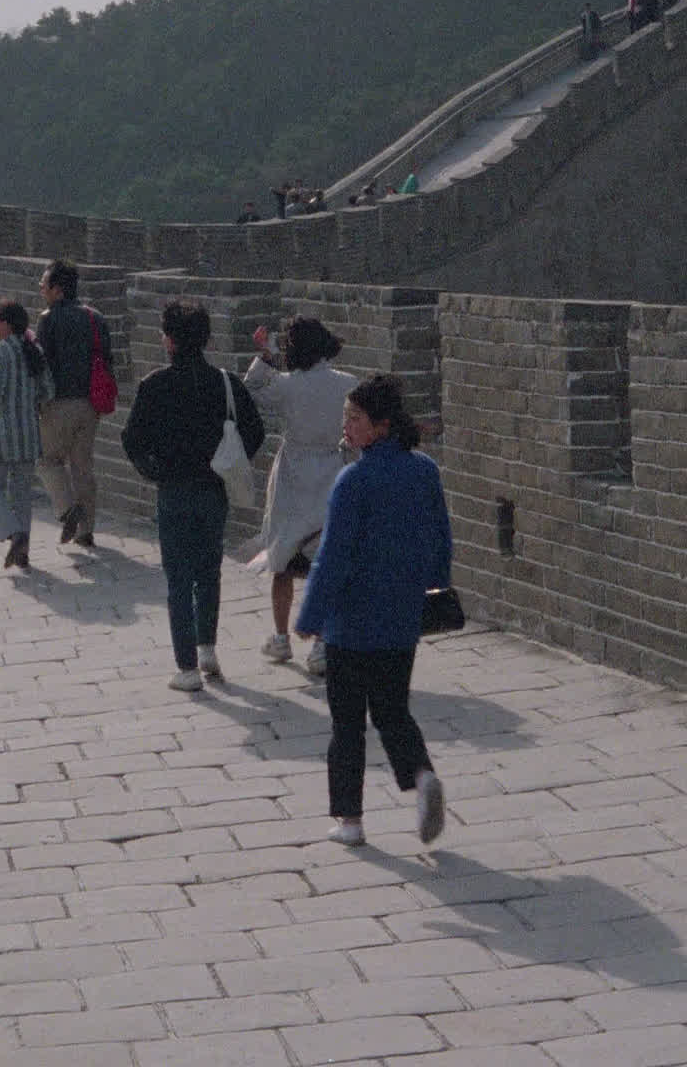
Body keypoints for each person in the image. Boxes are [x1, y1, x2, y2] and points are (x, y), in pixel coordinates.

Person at [295, 375, 452, 849]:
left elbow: (333, 557)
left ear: (381, 426)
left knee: (346, 724)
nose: (346, 425)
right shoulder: (423, 471)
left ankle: (350, 820)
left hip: (350, 622)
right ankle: (422, 777)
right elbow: (441, 540)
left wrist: (310, 617)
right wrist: (434, 587)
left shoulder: (354, 480)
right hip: (402, 617)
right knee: (392, 710)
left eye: (355, 418)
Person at [120, 298, 265, 691]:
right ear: (206, 339)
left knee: (178, 579)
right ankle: (207, 650)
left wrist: (155, 471)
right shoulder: (224, 383)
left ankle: (186, 669)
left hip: (173, 491)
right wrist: (227, 460)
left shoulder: (155, 386)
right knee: (209, 572)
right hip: (213, 489)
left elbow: (132, 440)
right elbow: (255, 431)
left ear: (168, 340)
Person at [244, 318, 357, 674]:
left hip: (293, 471)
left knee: (283, 555)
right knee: (326, 559)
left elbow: (252, 389)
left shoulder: (287, 386)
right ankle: (323, 644)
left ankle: (281, 638)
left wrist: (266, 356)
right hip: (333, 469)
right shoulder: (348, 384)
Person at [36, 259, 113, 549]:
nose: (41, 290)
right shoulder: (96, 317)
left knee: (47, 460)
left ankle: (69, 511)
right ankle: (86, 531)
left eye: (44, 286)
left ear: (57, 290)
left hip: (59, 403)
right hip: (90, 404)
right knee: (83, 466)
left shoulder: (48, 319)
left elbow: (42, 365)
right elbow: (107, 358)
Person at [0, 299, 53, 569]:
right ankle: (22, 552)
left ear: (6, 324)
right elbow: (48, 390)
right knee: (22, 492)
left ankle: (15, 533)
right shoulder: (33, 350)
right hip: (28, 434)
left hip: (1, 434)